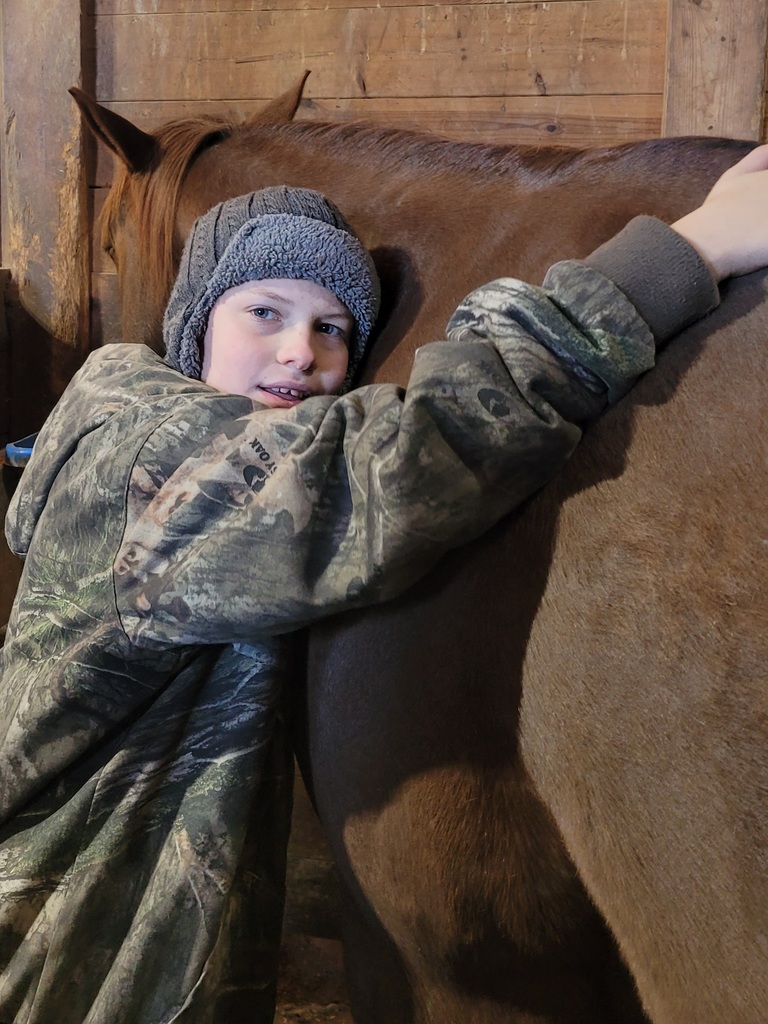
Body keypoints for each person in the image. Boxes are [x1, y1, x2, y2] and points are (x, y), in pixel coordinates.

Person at [2, 146, 768, 1024]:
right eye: (263, 311)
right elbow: (398, 466)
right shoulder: (154, 466)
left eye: (332, 329)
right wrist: (689, 255)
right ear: (192, 327)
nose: (300, 351)